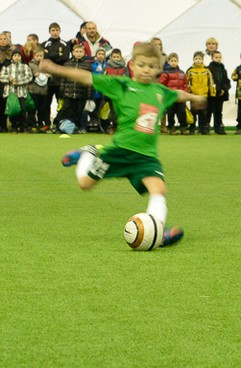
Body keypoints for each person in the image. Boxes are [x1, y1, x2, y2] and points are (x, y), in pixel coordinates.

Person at [42, 41, 206, 248]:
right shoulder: (121, 86)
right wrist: (55, 69)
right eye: (142, 65)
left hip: (146, 157)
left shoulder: (160, 92)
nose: (146, 70)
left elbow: (178, 95)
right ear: (132, 65)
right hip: (119, 153)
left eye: (152, 66)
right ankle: (87, 154)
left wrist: (194, 97)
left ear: (158, 69)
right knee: (85, 184)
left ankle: (157, 232)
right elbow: (86, 77)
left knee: (159, 190)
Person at [54, 43, 92, 133]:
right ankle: (57, 126)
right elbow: (64, 79)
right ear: (73, 53)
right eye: (77, 51)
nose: (78, 53)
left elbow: (89, 81)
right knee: (64, 111)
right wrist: (61, 92)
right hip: (68, 93)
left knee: (78, 113)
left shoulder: (87, 66)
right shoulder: (67, 64)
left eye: (80, 51)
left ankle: (75, 128)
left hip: (81, 94)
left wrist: (89, 95)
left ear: (84, 53)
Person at [2, 50, 34, 133]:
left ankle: (24, 127)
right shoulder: (7, 67)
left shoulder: (25, 66)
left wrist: (17, 81)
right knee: (13, 110)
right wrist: (9, 79)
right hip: (10, 93)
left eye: (18, 56)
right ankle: (14, 126)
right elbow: (1, 77)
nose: (17, 57)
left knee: (23, 110)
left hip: (21, 93)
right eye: (15, 55)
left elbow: (29, 77)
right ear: (12, 57)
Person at [185, 51, 216, 135]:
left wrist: (212, 93)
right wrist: (188, 92)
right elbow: (186, 82)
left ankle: (203, 129)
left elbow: (211, 82)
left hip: (204, 95)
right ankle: (192, 129)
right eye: (196, 59)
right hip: (194, 95)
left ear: (202, 60)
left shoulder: (206, 71)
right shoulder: (190, 71)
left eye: (199, 59)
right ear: (193, 60)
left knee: (203, 113)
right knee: (193, 112)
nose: (198, 60)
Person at [159, 53, 189, 135]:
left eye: (175, 61)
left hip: (180, 97)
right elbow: (161, 85)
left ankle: (183, 128)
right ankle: (171, 128)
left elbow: (185, 83)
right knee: (171, 113)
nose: (173, 62)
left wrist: (185, 92)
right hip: (171, 97)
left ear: (178, 61)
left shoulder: (182, 73)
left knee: (182, 113)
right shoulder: (165, 73)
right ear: (168, 62)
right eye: (172, 61)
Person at [102, 48, 128, 134]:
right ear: (111, 57)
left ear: (120, 57)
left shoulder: (124, 69)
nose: (116, 58)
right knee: (110, 111)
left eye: (117, 57)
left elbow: (126, 81)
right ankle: (110, 126)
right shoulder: (106, 67)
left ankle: (117, 126)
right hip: (109, 93)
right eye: (114, 57)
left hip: (119, 94)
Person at [207, 50, 230, 135]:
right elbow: (210, 81)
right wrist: (216, 90)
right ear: (212, 58)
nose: (218, 59)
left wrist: (224, 89)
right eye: (216, 57)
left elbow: (226, 81)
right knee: (209, 111)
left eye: (220, 57)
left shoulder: (222, 68)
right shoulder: (209, 68)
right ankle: (207, 127)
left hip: (221, 94)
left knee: (218, 111)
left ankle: (219, 127)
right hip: (212, 94)